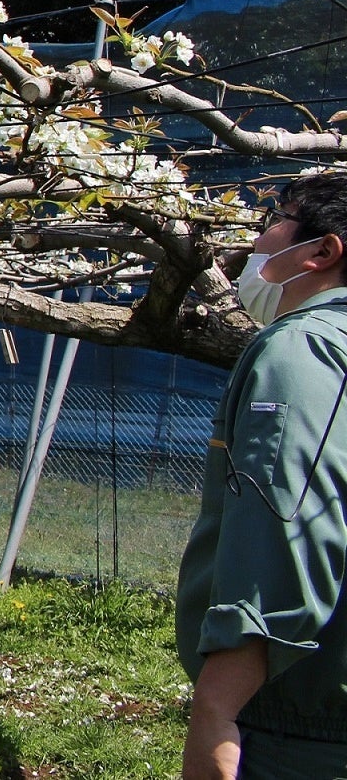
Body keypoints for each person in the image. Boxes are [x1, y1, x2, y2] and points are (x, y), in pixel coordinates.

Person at [177, 174, 347, 780]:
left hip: (297, 722)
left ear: (321, 251)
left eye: (274, 220)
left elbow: (285, 525)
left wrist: (218, 706)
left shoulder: (303, 348)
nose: (255, 242)